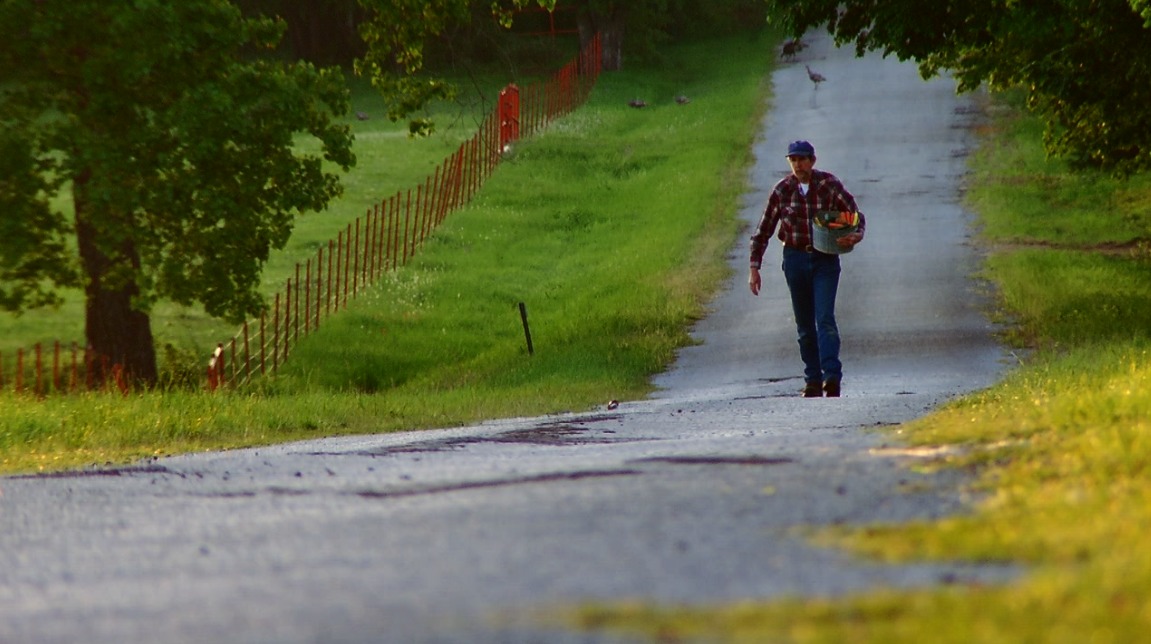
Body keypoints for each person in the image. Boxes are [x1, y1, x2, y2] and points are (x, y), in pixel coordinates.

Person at [748, 140, 865, 398]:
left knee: (824, 318)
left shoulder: (829, 185)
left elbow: (855, 216)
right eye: (793, 160)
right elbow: (763, 231)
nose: (798, 164)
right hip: (795, 259)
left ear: (813, 160)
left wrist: (854, 235)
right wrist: (754, 267)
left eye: (802, 159)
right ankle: (812, 379)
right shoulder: (782, 190)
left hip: (825, 259)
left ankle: (832, 377)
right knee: (804, 324)